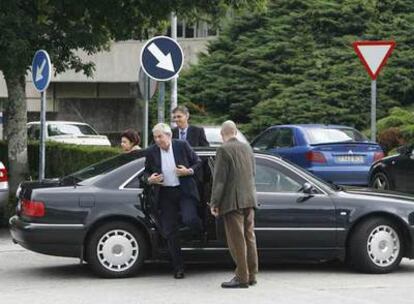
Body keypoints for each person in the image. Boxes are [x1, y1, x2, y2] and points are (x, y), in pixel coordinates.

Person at [144, 123, 203, 279]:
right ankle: (178, 267)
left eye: (160, 136)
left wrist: (188, 171)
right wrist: (150, 179)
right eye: (155, 137)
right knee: (170, 231)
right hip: (165, 194)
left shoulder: (182, 145)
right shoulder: (151, 151)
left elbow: (198, 162)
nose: (157, 140)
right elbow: (146, 171)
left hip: (184, 191)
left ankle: (200, 232)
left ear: (168, 136)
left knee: (190, 219)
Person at [210, 120, 259, 289]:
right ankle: (252, 275)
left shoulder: (223, 150)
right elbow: (252, 173)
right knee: (249, 237)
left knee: (237, 240)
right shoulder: (248, 148)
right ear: (235, 132)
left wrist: (214, 202)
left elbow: (220, 181)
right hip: (249, 199)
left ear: (222, 134)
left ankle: (241, 277)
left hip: (233, 202)